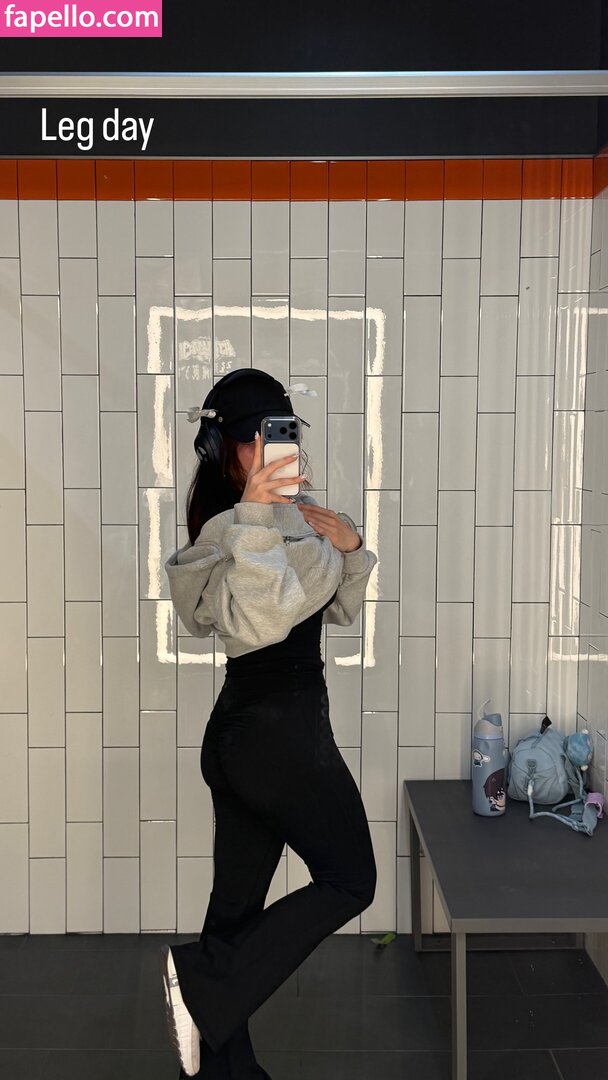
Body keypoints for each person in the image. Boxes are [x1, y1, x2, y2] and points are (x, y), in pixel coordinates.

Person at [160, 368, 378, 1079]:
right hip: (280, 740)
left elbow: (335, 609)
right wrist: (258, 518)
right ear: (227, 449)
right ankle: (202, 984)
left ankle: (224, 1065)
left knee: (235, 914)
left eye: (281, 432)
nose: (273, 448)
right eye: (258, 436)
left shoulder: (292, 521)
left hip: (245, 739)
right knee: (351, 879)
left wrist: (351, 548)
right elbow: (259, 619)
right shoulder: (230, 530)